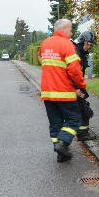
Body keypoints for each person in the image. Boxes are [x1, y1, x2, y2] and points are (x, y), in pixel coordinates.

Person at [39, 19, 88, 162]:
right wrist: (81, 86)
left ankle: (61, 153)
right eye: (71, 29)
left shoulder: (45, 43)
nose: (72, 32)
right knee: (74, 119)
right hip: (63, 92)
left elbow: (44, 64)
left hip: (47, 92)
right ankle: (63, 143)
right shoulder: (67, 44)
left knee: (55, 123)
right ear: (65, 29)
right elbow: (74, 70)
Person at [74, 31, 97, 141]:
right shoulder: (76, 54)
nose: (89, 47)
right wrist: (76, 89)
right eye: (87, 44)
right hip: (74, 87)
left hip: (77, 86)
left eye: (90, 45)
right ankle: (82, 134)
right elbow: (72, 73)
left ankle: (81, 132)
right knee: (84, 110)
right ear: (82, 42)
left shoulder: (81, 52)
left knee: (82, 108)